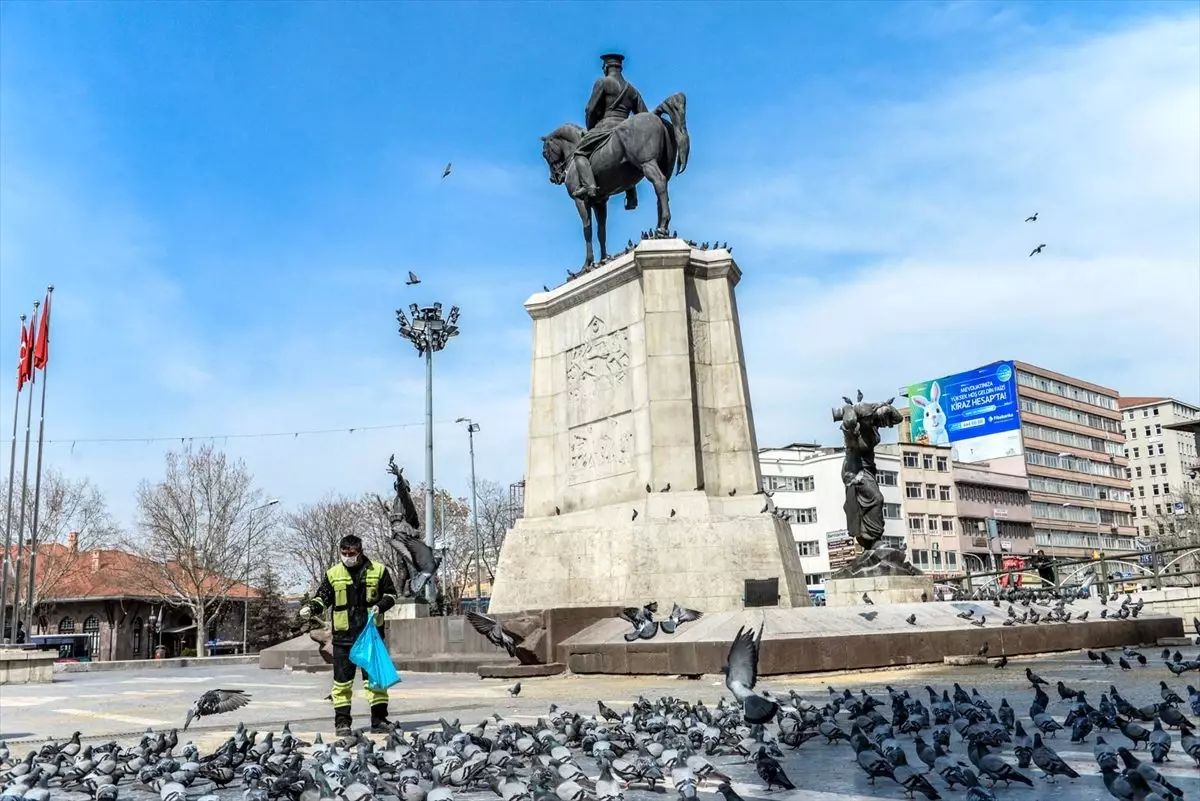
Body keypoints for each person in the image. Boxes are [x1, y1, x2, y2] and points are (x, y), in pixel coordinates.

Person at [299, 534, 399, 735]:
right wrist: (311, 608)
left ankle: (379, 720)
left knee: (376, 682)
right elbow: (323, 598)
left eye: (351, 553)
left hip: (370, 636)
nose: (347, 557)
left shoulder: (378, 570)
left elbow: (391, 595)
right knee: (341, 683)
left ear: (360, 552)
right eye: (344, 553)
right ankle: (342, 723)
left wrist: (380, 605)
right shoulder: (333, 573)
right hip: (343, 638)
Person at [573, 53, 647, 208]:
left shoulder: (603, 82)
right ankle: (632, 196)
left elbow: (590, 109)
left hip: (605, 126)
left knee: (579, 152)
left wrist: (590, 128)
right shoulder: (632, 90)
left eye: (603, 66)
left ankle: (590, 187)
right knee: (631, 155)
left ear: (606, 67)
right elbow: (643, 116)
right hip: (626, 129)